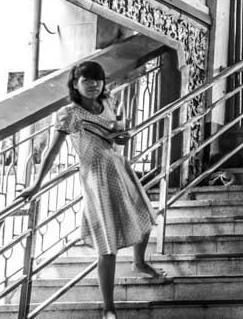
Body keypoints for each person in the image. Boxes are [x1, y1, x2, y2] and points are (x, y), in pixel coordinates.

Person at [19, 61, 164, 319]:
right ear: (75, 84)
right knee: (106, 244)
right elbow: (53, 152)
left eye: (97, 79)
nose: (93, 84)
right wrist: (36, 183)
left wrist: (122, 136)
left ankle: (139, 263)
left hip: (119, 167)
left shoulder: (107, 102)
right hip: (96, 178)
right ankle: (109, 307)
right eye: (87, 80)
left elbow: (114, 132)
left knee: (145, 215)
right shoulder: (70, 113)